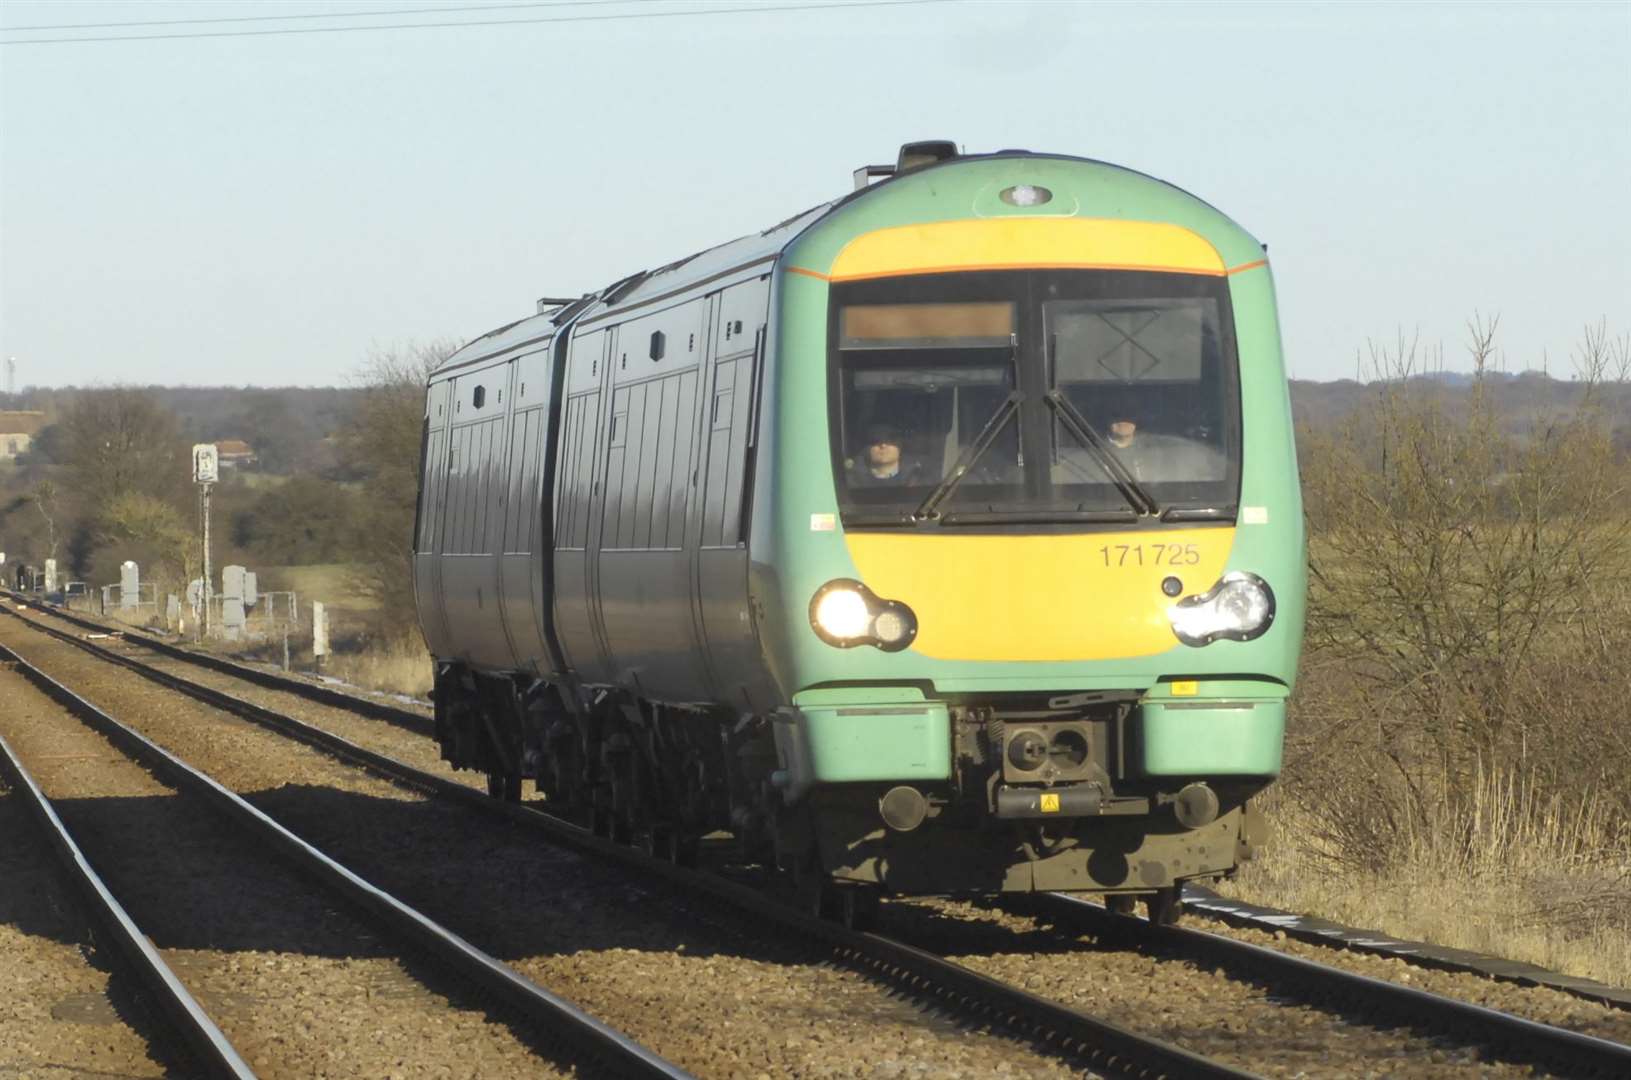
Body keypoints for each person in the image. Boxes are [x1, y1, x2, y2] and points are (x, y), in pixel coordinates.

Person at [849, 422, 924, 486]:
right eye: (875, 440)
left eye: (891, 440)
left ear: (901, 445)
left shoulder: (920, 479)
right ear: (865, 448)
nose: (883, 445)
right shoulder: (850, 482)